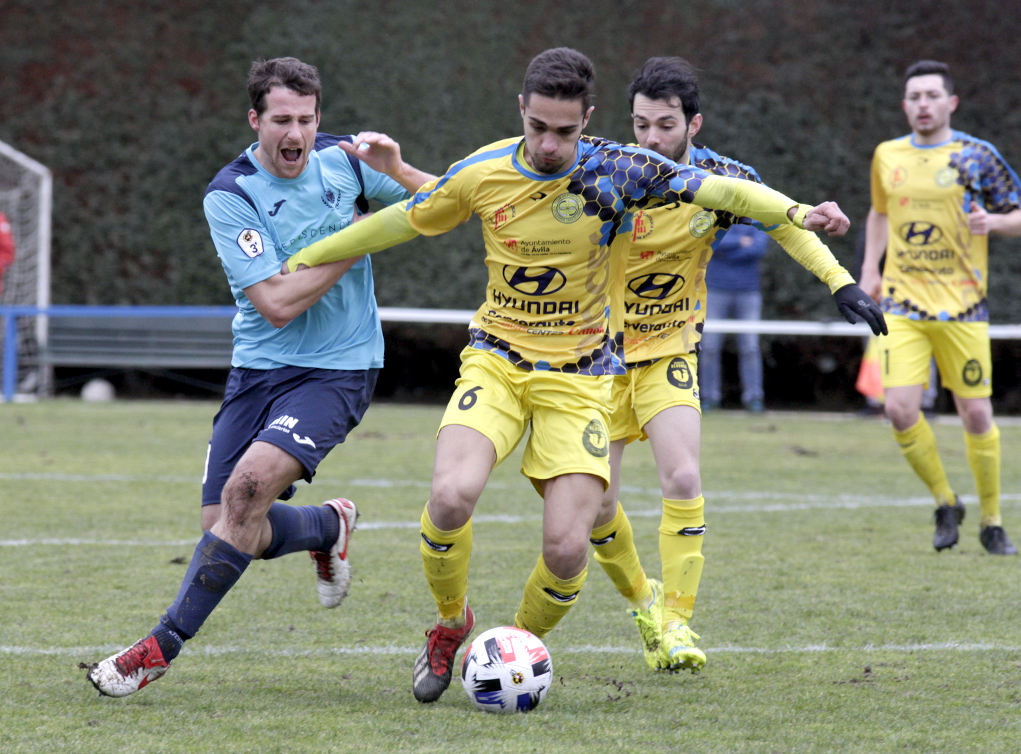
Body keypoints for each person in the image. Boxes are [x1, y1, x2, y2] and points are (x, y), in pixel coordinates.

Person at [285, 47, 864, 703]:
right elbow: (408, 217)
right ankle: (451, 628)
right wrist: (303, 257)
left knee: (569, 550)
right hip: (499, 361)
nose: (552, 144)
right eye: (539, 128)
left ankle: (512, 646)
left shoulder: (620, 171)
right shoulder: (486, 168)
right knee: (450, 498)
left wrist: (797, 215)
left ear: (588, 120)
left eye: (566, 131)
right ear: (522, 114)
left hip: (587, 375)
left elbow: (727, 190)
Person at [86, 57, 435, 697]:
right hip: (259, 367)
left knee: (247, 495)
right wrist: (362, 238)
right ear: (256, 121)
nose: (295, 132)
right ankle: (328, 526)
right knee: (225, 522)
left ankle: (157, 648)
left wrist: (398, 170)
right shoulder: (231, 194)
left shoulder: (347, 162)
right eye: (281, 120)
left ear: (318, 118)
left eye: (306, 118)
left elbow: (447, 201)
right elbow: (276, 304)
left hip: (339, 366)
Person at [583, 56, 885, 674]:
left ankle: (677, 623)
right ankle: (644, 602)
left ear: (695, 124)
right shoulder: (606, 171)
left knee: (683, 480)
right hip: (598, 358)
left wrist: (841, 283)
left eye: (665, 125)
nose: (650, 140)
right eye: (640, 125)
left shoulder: (723, 177)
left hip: (669, 351)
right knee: (594, 505)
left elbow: (783, 220)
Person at [860, 60, 1021, 554]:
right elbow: (880, 212)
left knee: (975, 414)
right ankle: (944, 501)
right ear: (905, 105)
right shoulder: (888, 155)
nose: (923, 105)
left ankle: (992, 520)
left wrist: (993, 224)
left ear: (950, 103)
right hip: (904, 305)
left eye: (932, 95)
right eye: (914, 96)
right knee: (898, 408)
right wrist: (870, 270)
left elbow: (1018, 213)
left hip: (964, 307)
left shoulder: (977, 156)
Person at [699, 222, 771, 412]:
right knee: (709, 347)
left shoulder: (758, 218)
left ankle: (753, 398)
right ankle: (709, 397)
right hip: (715, 290)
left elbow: (758, 248)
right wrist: (741, 241)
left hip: (749, 292)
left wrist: (727, 245)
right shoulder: (716, 216)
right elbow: (709, 242)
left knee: (750, 347)